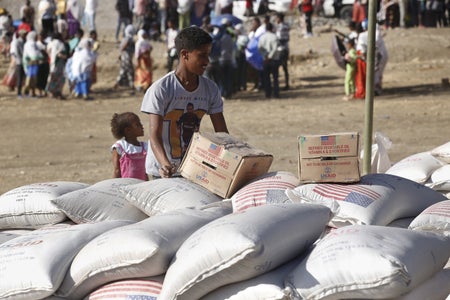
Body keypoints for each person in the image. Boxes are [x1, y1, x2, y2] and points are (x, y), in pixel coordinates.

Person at [140, 26, 229, 179]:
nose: (207, 61)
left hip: (191, 168)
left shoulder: (210, 89)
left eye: (208, 55)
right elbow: (154, 135)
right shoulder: (162, 89)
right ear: (184, 55)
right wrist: (165, 164)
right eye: (202, 55)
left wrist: (229, 160)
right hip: (162, 171)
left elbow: (222, 134)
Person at [111, 112, 148, 181]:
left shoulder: (145, 147)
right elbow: (117, 170)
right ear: (128, 130)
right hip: (125, 186)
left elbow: (146, 172)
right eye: (137, 125)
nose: (142, 126)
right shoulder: (120, 147)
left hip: (142, 186)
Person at [258, 22, 281, 99]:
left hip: (265, 60)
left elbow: (260, 48)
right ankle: (276, 93)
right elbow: (275, 48)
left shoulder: (262, 37)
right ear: (272, 28)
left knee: (266, 78)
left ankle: (268, 93)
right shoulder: (274, 37)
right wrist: (270, 57)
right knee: (275, 78)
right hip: (274, 59)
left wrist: (265, 57)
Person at [46, 31, 69, 99]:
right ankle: (57, 91)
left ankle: (51, 92)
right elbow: (60, 54)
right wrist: (65, 57)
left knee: (52, 77)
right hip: (58, 63)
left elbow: (48, 51)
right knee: (60, 78)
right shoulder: (60, 44)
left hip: (52, 62)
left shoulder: (50, 43)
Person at [23, 30, 44, 98]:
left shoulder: (33, 43)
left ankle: (33, 92)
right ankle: (29, 91)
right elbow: (33, 54)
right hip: (31, 63)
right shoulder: (30, 44)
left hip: (34, 63)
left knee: (34, 79)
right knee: (30, 78)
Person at [114, 24, 135, 91]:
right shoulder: (129, 39)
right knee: (128, 70)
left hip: (125, 56)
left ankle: (120, 83)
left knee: (125, 70)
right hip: (126, 57)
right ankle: (130, 84)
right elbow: (123, 47)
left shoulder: (127, 38)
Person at [9, 30, 27, 98]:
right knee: (19, 77)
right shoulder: (17, 42)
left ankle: (24, 91)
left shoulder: (24, 42)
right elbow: (16, 52)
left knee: (23, 78)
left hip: (24, 61)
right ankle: (19, 93)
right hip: (19, 61)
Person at [275, 12, 290, 90]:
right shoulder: (286, 26)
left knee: (278, 67)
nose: (275, 20)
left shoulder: (281, 28)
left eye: (276, 18)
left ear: (279, 19)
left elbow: (281, 39)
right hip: (285, 48)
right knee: (285, 67)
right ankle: (286, 83)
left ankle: (280, 85)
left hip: (281, 49)